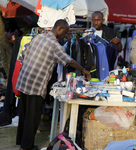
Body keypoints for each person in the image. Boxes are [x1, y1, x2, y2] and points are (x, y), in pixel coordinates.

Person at [15, 19, 91, 150]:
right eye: (65, 32)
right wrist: (83, 69)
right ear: (59, 29)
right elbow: (69, 60)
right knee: (32, 118)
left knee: (24, 114)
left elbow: (24, 55)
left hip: (23, 81)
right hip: (36, 85)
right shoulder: (54, 45)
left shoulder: (38, 37)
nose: (65, 36)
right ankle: (26, 147)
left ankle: (21, 142)